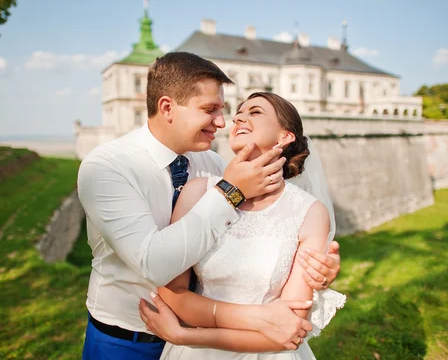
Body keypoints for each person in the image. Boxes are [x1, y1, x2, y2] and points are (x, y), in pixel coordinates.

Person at [77, 53, 342, 360]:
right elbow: (154, 265)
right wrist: (230, 191)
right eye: (210, 110)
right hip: (126, 337)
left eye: (223, 109)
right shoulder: (108, 167)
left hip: (211, 339)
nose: (223, 121)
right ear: (167, 108)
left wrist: (317, 269)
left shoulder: (212, 164)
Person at [140, 92, 346, 359]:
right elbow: (173, 292)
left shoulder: (309, 213)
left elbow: (291, 327)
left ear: (284, 137)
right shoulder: (197, 192)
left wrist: (185, 335)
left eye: (255, 112)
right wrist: (260, 318)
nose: (238, 117)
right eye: (238, 112)